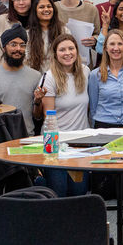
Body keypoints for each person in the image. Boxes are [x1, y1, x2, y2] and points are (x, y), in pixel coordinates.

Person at [39, 34, 90, 196]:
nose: (67, 53)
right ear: (55, 54)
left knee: (79, 193)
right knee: (59, 193)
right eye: (62, 50)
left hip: (80, 145)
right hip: (57, 145)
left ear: (77, 51)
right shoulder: (49, 77)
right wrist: (57, 147)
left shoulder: (85, 72)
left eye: (71, 48)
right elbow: (48, 117)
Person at [0, 24, 43, 136]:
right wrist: (5, 120)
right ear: (4, 47)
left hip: (26, 138)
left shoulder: (36, 76)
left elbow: (37, 116)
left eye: (22, 45)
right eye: (13, 44)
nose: (18, 49)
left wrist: (38, 102)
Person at [88, 29, 123, 127]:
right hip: (103, 126)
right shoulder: (95, 75)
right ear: (105, 48)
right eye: (112, 44)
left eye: (120, 44)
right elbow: (93, 107)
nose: (116, 48)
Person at [55, 0, 101, 67]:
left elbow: (98, 34)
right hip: (58, 65)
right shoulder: (53, 9)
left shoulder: (91, 9)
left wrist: (94, 40)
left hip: (84, 65)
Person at [27, 0, 71, 72]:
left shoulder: (64, 31)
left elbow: (69, 54)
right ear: (35, 11)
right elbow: (26, 59)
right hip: (35, 75)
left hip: (60, 74)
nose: (46, 9)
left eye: (49, 6)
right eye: (41, 7)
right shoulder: (28, 34)